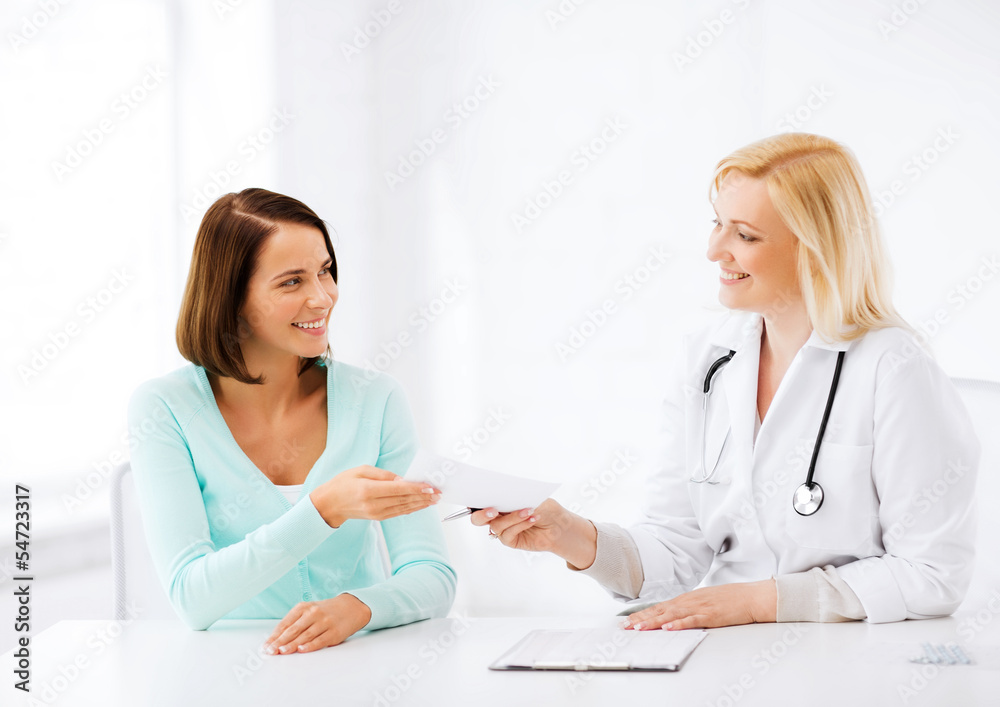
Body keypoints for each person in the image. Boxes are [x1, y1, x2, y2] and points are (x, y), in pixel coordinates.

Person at [472, 133, 979, 629]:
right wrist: (567, 535)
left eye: (745, 235)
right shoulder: (709, 359)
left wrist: (760, 601)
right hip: (729, 655)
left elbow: (932, 575)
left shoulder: (893, 367)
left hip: (848, 660)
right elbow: (673, 552)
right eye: (717, 223)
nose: (715, 249)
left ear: (815, 249)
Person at [128, 188, 455, 654]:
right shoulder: (165, 408)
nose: (322, 298)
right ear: (232, 296)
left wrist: (356, 607)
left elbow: (431, 574)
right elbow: (192, 597)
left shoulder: (375, 399)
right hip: (226, 670)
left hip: (358, 661)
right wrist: (323, 510)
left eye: (325, 272)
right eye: (291, 282)